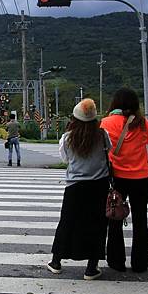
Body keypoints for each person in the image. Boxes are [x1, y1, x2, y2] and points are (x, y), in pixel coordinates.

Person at [47, 98, 112, 280]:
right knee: (97, 225)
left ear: (74, 118)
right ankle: (91, 268)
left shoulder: (68, 137)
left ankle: (56, 262)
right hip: (99, 186)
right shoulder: (102, 134)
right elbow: (110, 151)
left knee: (67, 222)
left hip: (75, 186)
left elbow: (65, 160)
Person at [100, 88, 148, 273]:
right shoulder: (142, 122)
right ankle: (140, 263)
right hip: (140, 177)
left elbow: (102, 147)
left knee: (115, 217)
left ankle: (116, 261)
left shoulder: (106, 122)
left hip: (117, 178)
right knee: (141, 219)